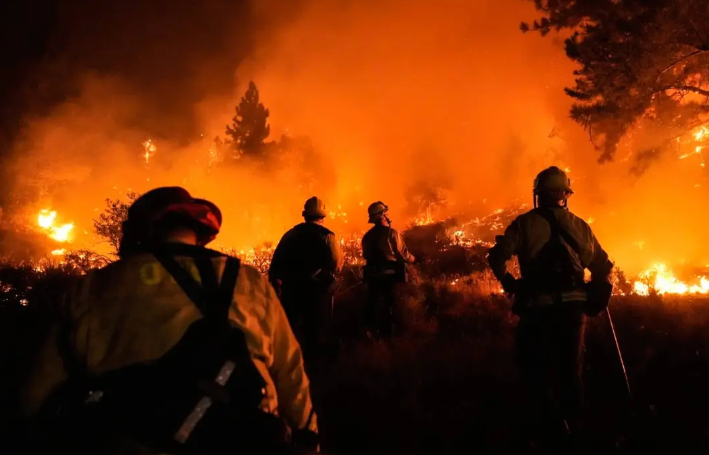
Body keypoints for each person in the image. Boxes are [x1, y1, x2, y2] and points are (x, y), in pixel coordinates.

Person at [19, 187, 318, 455]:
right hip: (241, 440)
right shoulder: (248, 281)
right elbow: (290, 373)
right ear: (198, 230)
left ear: (139, 231)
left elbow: (35, 396)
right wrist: (308, 441)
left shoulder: (93, 287)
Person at [488, 166, 613, 453]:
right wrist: (599, 289)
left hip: (537, 310)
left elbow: (497, 256)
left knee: (534, 370)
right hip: (574, 310)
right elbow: (603, 267)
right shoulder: (581, 226)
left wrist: (509, 282)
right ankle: (574, 430)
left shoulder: (524, 224)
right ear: (565, 195)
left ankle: (550, 429)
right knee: (571, 371)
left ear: (538, 195)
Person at [268, 197, 344, 375]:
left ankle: (289, 369)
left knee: (292, 331)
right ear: (322, 215)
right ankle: (316, 372)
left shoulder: (290, 235)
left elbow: (276, 264)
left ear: (305, 215)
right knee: (317, 331)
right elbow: (337, 264)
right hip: (317, 294)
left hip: (291, 292)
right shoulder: (327, 236)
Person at [361, 201, 415, 338]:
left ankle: (373, 334)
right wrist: (414, 259)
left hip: (373, 277)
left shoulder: (367, 237)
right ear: (383, 215)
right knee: (391, 307)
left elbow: (366, 255)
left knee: (374, 306)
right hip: (390, 278)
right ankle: (390, 336)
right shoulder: (392, 233)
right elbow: (402, 254)